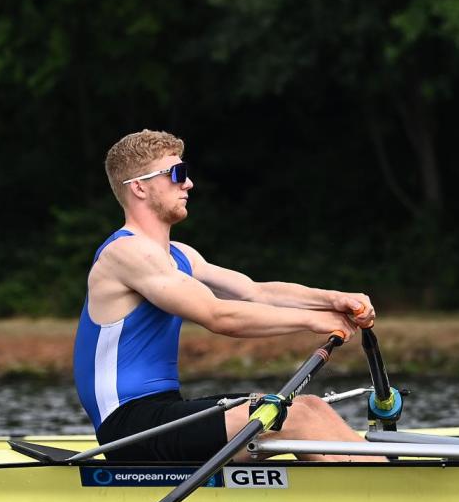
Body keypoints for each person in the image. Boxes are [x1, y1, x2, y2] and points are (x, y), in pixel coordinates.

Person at [75, 130, 381, 462]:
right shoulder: (126, 253)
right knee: (297, 419)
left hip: (163, 413)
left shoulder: (180, 255)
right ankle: (383, 485)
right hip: (129, 429)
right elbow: (219, 316)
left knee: (309, 406)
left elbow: (256, 293)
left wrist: (334, 300)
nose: (188, 183)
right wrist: (314, 320)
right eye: (176, 174)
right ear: (139, 187)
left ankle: (373, 477)